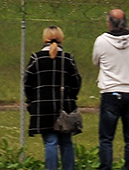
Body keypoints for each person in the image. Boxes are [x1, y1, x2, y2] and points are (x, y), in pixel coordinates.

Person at [24, 25, 81, 170]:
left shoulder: (36, 58)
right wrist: (71, 97)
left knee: (50, 142)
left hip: (43, 106)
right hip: (65, 105)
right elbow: (76, 81)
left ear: (45, 39)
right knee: (66, 142)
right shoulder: (68, 58)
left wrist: (31, 100)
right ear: (61, 38)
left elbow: (27, 83)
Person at [93, 8, 129, 170]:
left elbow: (96, 61)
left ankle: (106, 167)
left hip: (111, 92)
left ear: (109, 23)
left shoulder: (101, 41)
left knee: (107, 139)